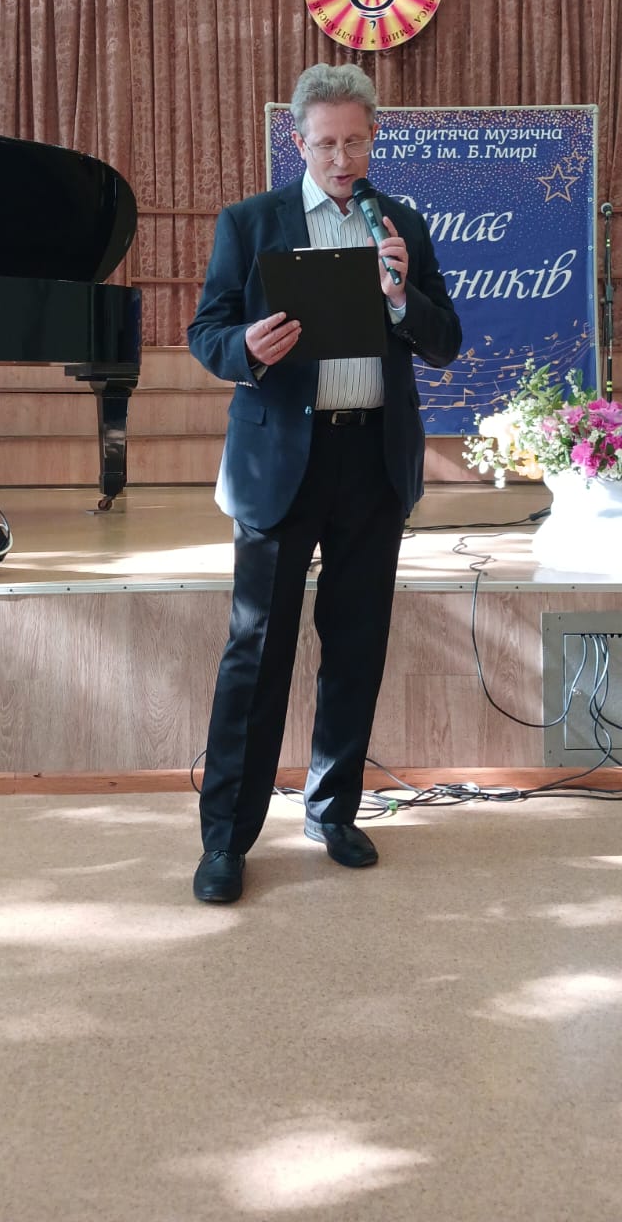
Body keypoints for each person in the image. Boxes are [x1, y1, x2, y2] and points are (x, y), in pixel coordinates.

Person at [186, 62, 463, 904]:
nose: (341, 159)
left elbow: (445, 341)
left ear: (374, 138)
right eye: (325, 144)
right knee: (256, 653)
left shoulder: (402, 224)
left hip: (372, 462)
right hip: (280, 465)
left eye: (354, 142)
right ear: (298, 142)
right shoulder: (252, 222)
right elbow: (207, 330)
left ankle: (333, 811)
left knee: (356, 646)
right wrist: (244, 349)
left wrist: (399, 298)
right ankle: (227, 839)